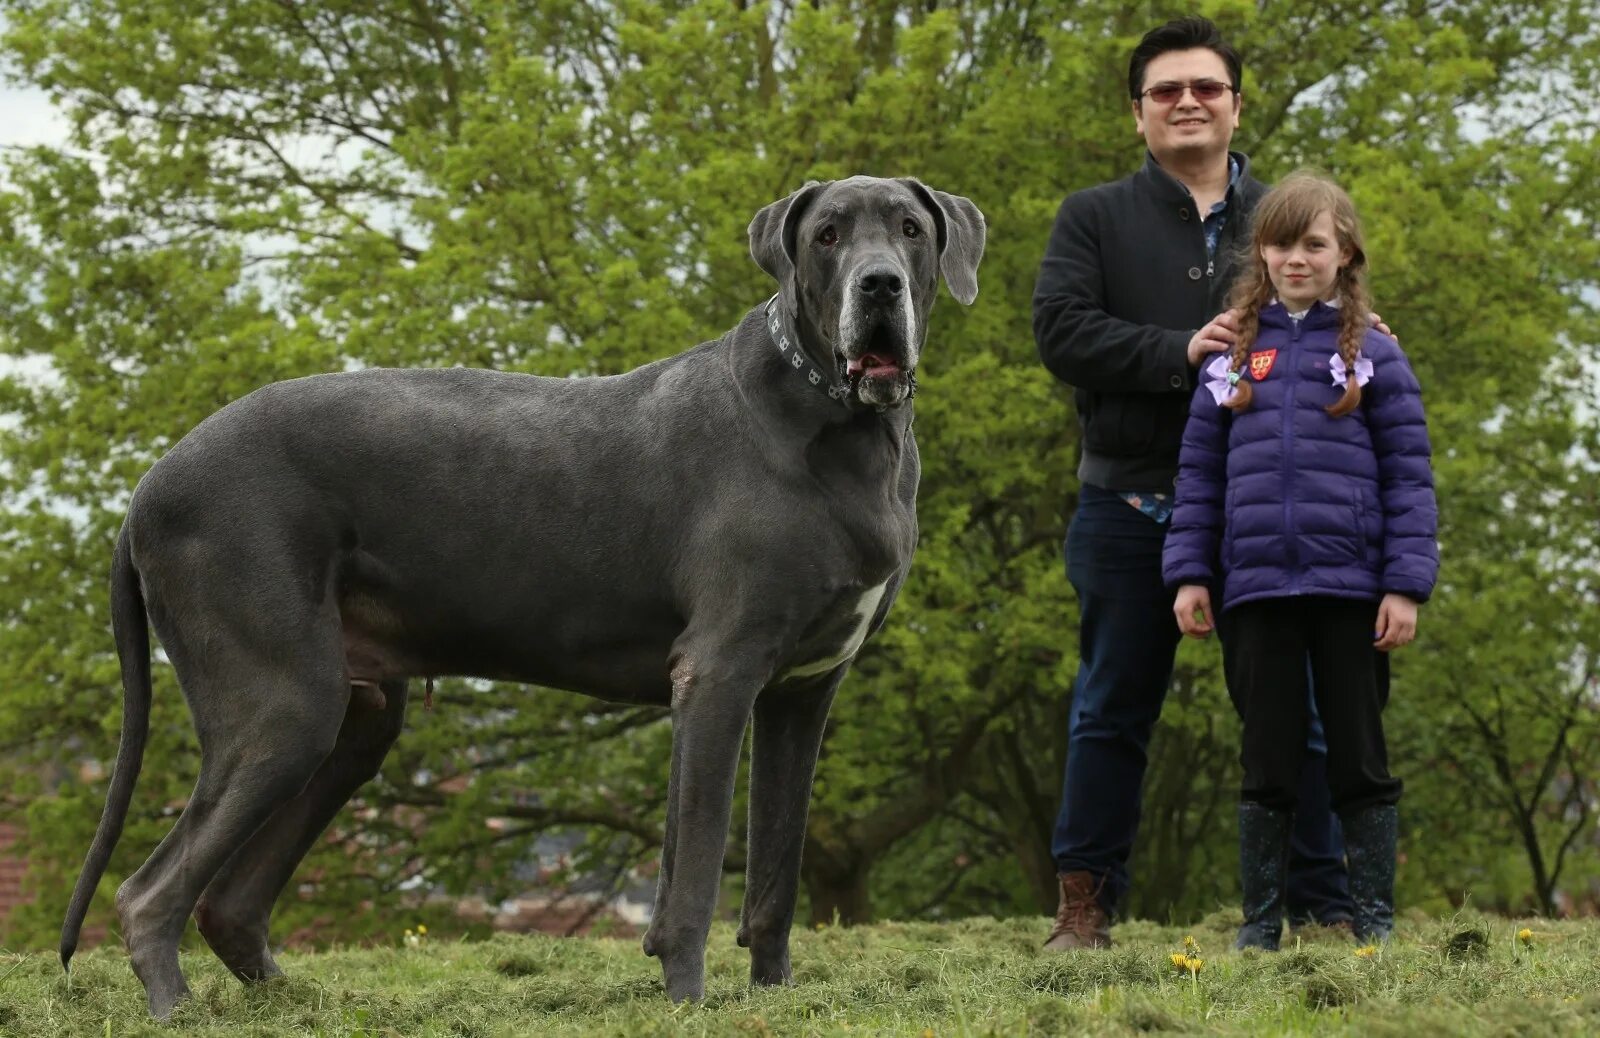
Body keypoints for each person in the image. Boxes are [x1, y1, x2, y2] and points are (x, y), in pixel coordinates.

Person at [1032, 15, 1358, 950]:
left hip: (1268, 507)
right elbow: (1059, 332)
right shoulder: (1091, 217)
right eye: (1166, 90)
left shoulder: (1288, 217)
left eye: (1205, 87)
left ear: (1235, 105)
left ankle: (1322, 906)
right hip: (1127, 502)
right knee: (1109, 709)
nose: (1186, 102)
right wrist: (1178, 350)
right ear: (1139, 114)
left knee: (1293, 714)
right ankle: (1085, 909)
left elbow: (1346, 322)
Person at [1163, 171, 1438, 949]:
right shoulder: (1230, 356)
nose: (1295, 258)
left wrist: (1405, 586)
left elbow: (1410, 476)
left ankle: (1374, 920)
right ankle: (1260, 924)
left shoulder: (1375, 354)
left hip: (1353, 590)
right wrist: (1189, 573)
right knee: (1268, 758)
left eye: (1313, 243)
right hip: (1254, 589)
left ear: (1343, 252)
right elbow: (1198, 474)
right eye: (1280, 243)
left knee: (1358, 753)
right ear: (1261, 250)